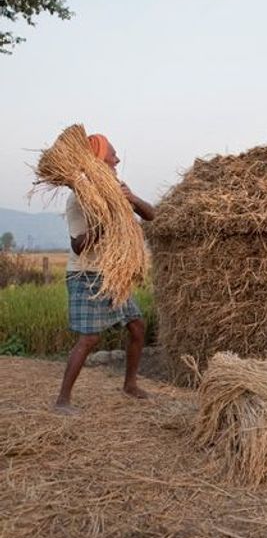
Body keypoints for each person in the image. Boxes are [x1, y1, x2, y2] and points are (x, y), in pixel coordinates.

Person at [53, 133, 155, 413]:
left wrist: (131, 198)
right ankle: (62, 400)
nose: (117, 160)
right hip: (86, 275)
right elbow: (78, 246)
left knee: (137, 326)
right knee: (89, 338)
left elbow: (151, 215)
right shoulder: (79, 198)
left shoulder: (114, 191)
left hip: (111, 274)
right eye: (112, 154)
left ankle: (130, 385)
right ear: (98, 161)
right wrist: (107, 220)